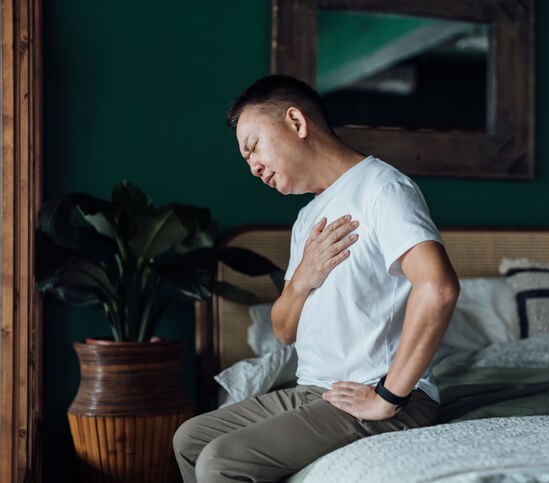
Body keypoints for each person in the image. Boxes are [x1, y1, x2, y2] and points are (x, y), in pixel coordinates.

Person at [173, 74, 460, 483]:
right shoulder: (308, 218)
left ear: (296, 122)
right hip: (315, 390)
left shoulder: (384, 188)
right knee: (190, 439)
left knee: (221, 461)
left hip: (385, 396)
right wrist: (303, 277)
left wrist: (388, 396)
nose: (252, 167)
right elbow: (284, 330)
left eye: (253, 147)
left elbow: (438, 288)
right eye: (246, 160)